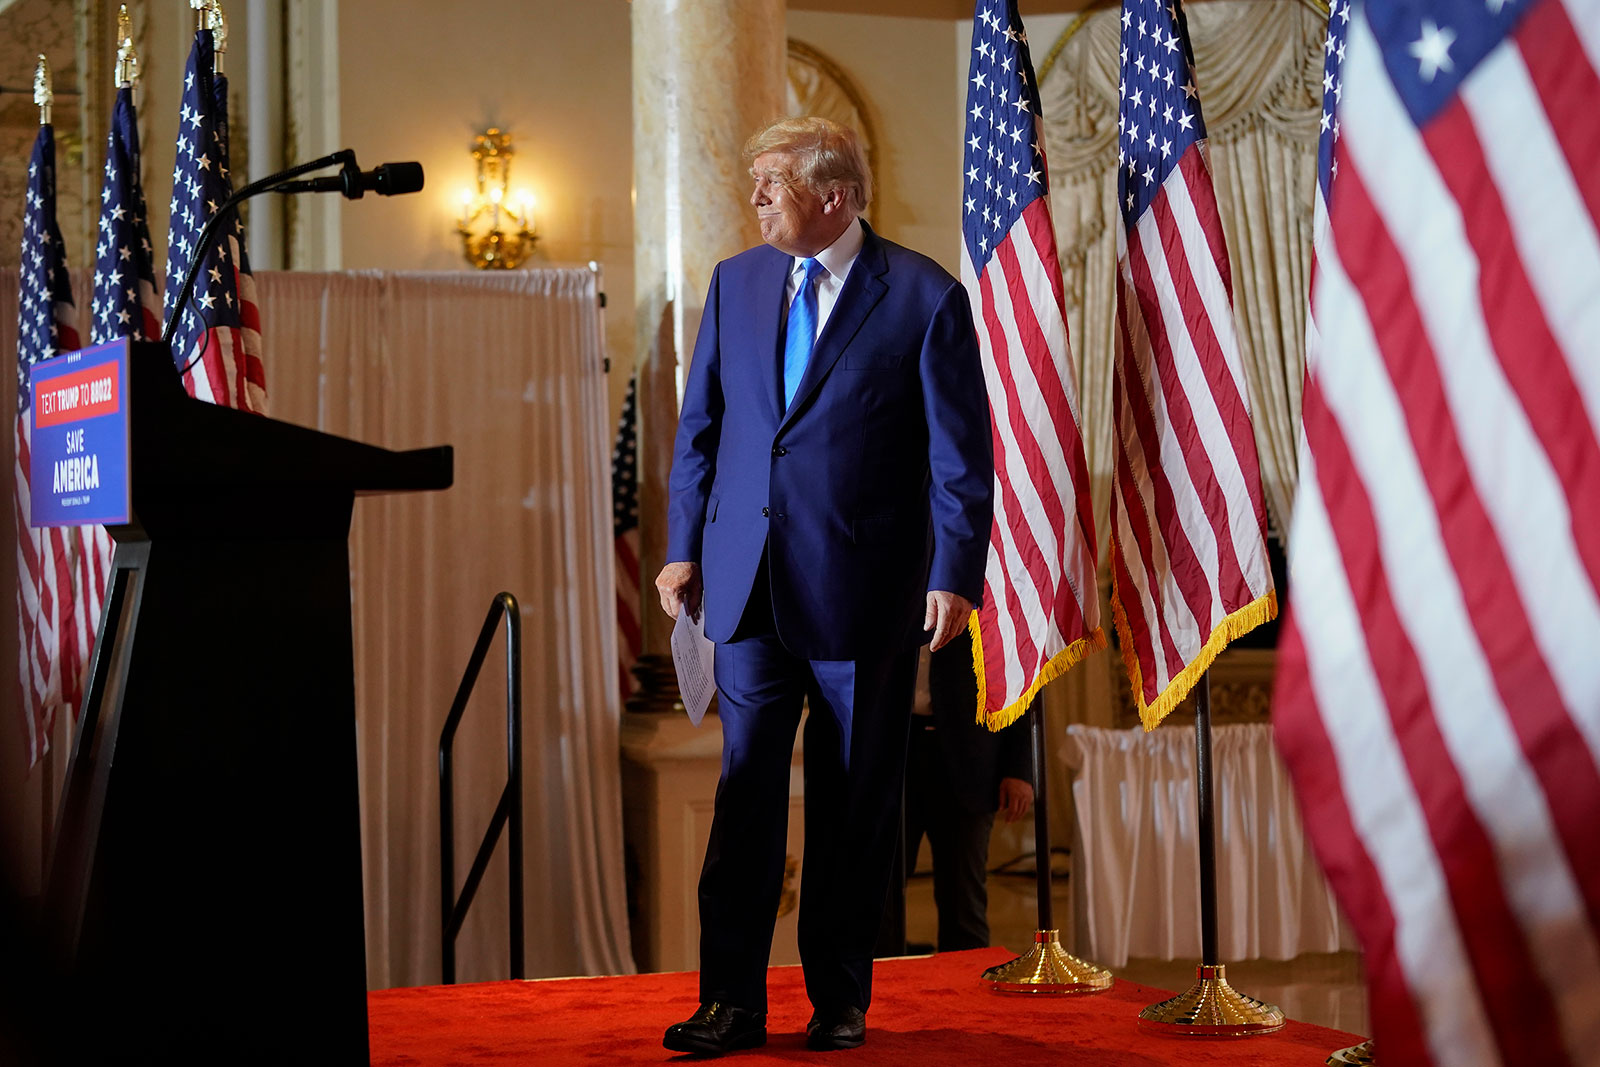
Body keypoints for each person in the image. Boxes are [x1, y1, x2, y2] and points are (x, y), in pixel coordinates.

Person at [655, 116, 992, 1055]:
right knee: (746, 791)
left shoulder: (923, 297)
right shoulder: (735, 282)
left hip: (865, 592)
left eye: (773, 182)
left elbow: (961, 459)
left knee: (852, 801)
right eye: (756, 181)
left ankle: (840, 996)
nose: (755, 196)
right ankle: (730, 998)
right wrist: (684, 545)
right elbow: (702, 430)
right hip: (747, 589)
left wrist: (954, 573)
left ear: (834, 196)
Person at [878, 629, 1033, 958]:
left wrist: (1019, 770)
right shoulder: (893, 587)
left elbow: (1018, 677)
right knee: (881, 892)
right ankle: (882, 992)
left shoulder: (984, 586)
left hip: (969, 758)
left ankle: (965, 996)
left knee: (963, 897)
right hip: (895, 754)